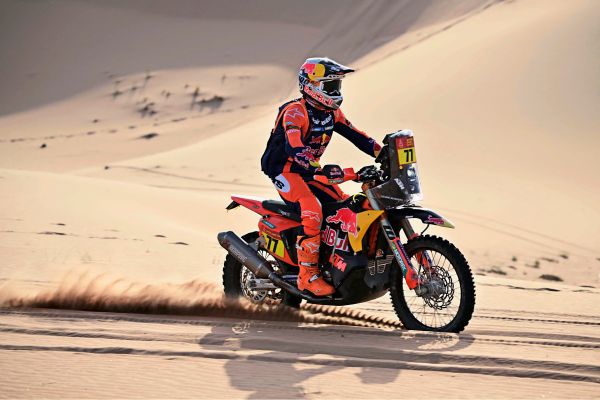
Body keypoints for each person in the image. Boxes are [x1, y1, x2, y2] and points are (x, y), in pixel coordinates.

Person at [260, 57, 381, 296]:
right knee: (312, 209)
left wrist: (384, 152)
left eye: (337, 85)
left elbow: (359, 137)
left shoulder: (331, 113)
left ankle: (333, 260)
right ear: (311, 86)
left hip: (310, 170)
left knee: (345, 207)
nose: (335, 91)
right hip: (285, 171)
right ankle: (307, 275)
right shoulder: (295, 112)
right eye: (330, 86)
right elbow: (294, 146)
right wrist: (317, 167)